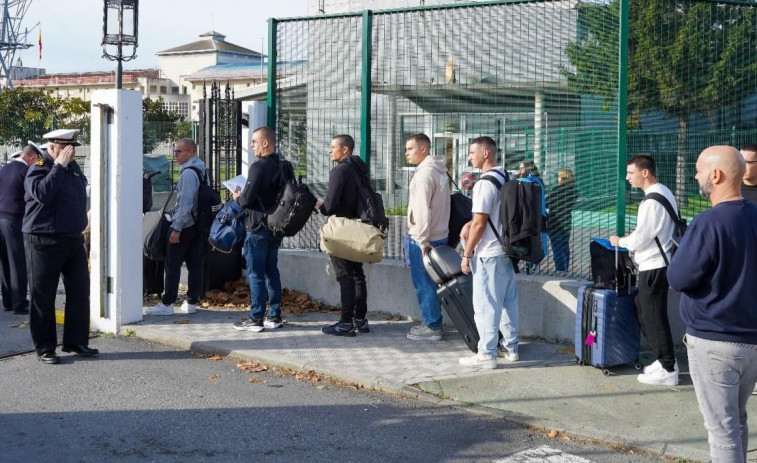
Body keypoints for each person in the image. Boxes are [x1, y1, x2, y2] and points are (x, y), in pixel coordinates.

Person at [668, 145, 757, 463]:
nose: (696, 176)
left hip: (714, 341)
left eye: (698, 169)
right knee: (737, 419)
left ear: (716, 175)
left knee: (722, 432)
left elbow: (677, 278)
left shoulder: (708, 223)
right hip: (751, 342)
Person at [23, 129, 97, 364]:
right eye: (66, 148)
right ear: (52, 148)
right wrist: (59, 167)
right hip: (43, 240)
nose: (71, 152)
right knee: (43, 296)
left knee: (80, 291)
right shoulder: (39, 168)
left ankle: (76, 341)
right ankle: (45, 348)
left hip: (72, 239)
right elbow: (43, 194)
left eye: (72, 148)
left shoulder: (73, 168)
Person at [610, 154, 678, 386]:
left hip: (654, 264)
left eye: (631, 173)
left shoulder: (650, 202)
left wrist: (621, 241)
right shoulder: (663, 192)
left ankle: (668, 368)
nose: (628, 178)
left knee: (653, 317)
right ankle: (664, 361)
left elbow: (642, 238)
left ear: (645, 172)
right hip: (658, 262)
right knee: (645, 310)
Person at [459, 136, 520, 369]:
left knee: (486, 306)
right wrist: (470, 223)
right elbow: (487, 216)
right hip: (507, 250)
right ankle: (511, 347)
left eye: (472, 152)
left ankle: (487, 354)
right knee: (507, 302)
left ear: (486, 153)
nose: (469, 157)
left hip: (488, 253)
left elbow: (480, 223)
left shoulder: (484, 182)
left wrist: (467, 254)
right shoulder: (505, 176)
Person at [232, 126, 286, 332]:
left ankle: (255, 319)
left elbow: (246, 200)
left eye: (254, 141)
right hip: (277, 226)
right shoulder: (284, 167)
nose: (252, 145)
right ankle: (274, 316)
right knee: (272, 271)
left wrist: (238, 196)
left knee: (255, 273)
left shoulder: (258, 167)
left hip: (257, 227)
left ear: (265, 143)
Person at [145, 138, 206, 316]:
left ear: (190, 152)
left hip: (185, 225)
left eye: (179, 152)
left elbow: (185, 204)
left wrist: (177, 228)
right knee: (194, 265)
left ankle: (167, 303)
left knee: (172, 265)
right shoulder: (201, 170)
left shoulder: (188, 174)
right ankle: (192, 302)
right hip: (197, 225)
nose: (175, 155)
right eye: (175, 151)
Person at [318, 134, 370, 337]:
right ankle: (360, 320)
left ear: (345, 149)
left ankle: (345, 323)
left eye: (333, 147)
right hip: (359, 227)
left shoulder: (340, 170)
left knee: (345, 276)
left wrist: (320, 206)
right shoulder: (359, 169)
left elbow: (330, 205)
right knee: (357, 275)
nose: (330, 150)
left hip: (341, 229)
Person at [404, 133, 450, 341]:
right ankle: (434, 322)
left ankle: (432, 326)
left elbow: (422, 211)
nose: (406, 153)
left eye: (410, 149)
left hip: (425, 238)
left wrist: (421, 240)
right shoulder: (439, 171)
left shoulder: (423, 175)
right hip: (440, 234)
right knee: (435, 283)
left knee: (424, 283)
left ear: (423, 149)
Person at [0, 144, 41, 314]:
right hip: (15, 220)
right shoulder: (25, 172)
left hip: (1, 218)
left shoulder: (5, 169)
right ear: (31, 158)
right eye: (36, 161)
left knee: (5, 262)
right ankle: (19, 303)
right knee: (18, 262)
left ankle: (8, 301)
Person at [546, 167, 578, 273]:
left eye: (559, 176)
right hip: (566, 220)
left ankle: (560, 270)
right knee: (565, 246)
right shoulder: (574, 191)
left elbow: (547, 202)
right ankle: (565, 269)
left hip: (555, 221)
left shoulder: (557, 190)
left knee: (557, 248)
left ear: (562, 177)